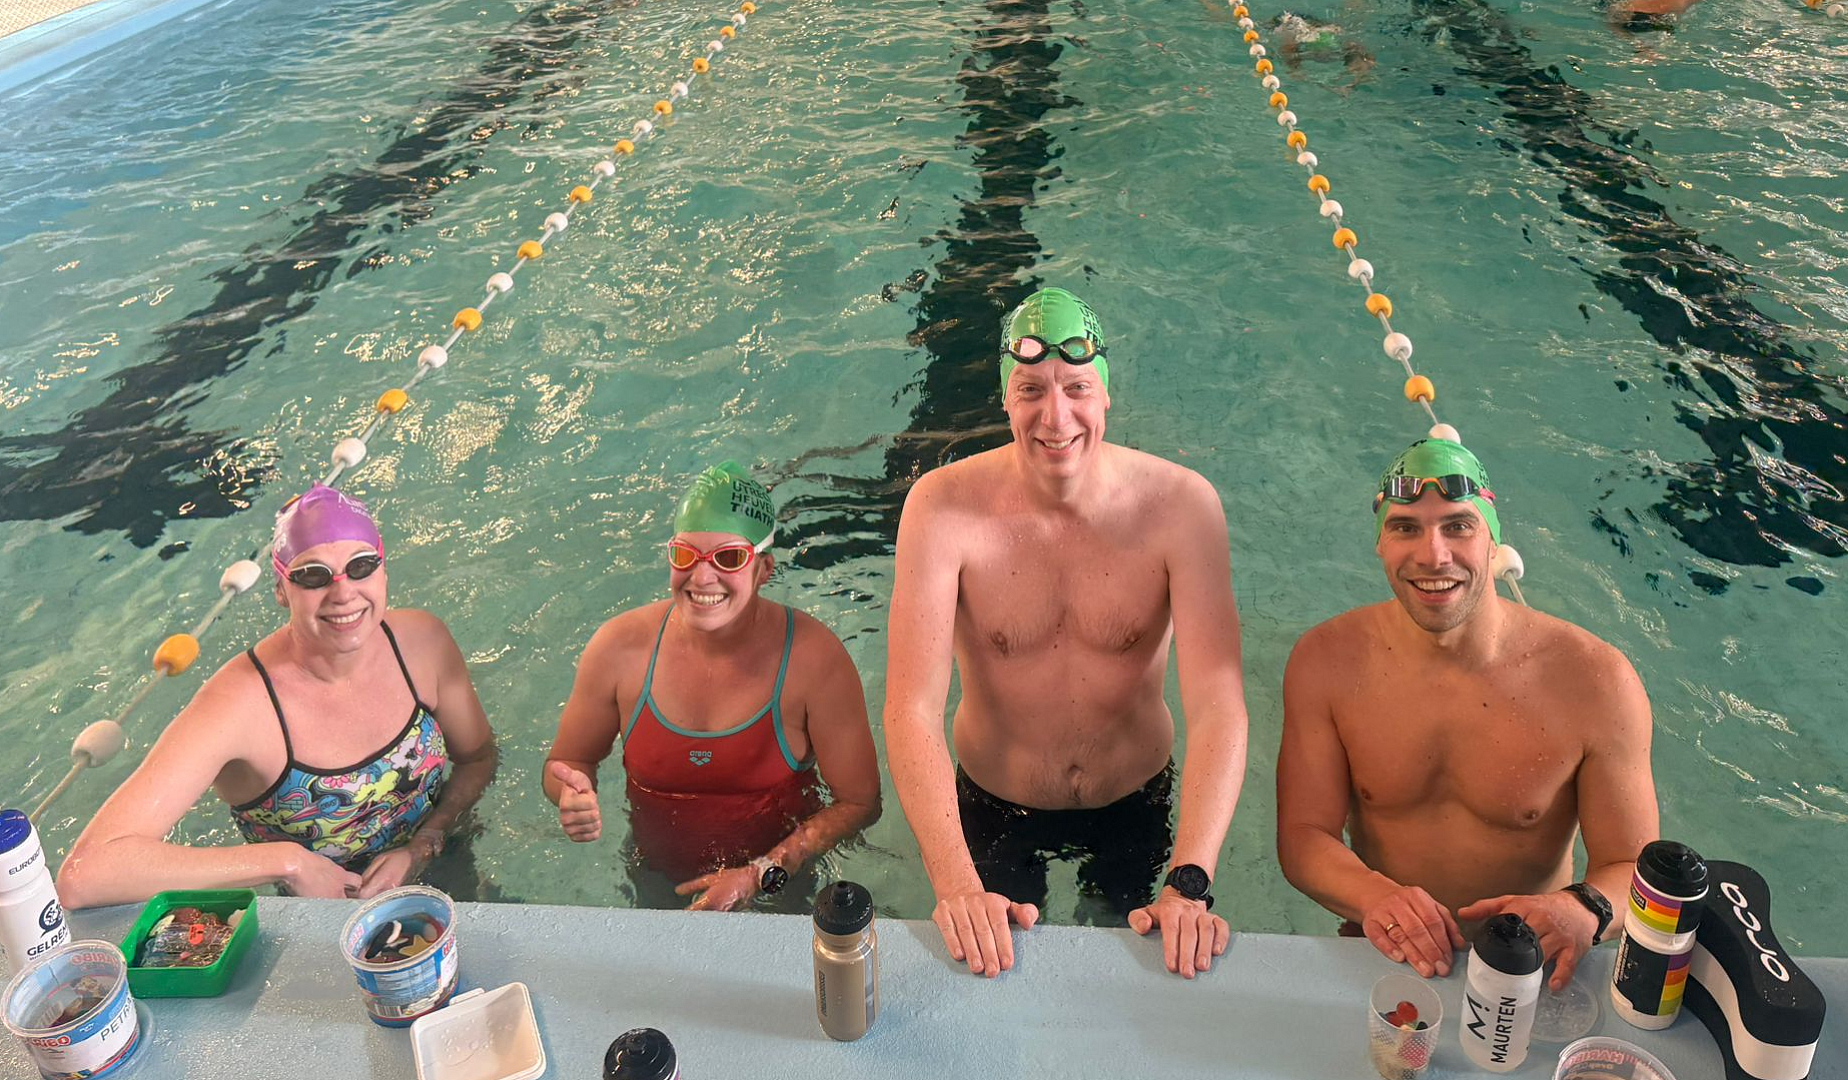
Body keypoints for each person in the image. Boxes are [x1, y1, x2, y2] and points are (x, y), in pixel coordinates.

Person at [884, 288, 1250, 980]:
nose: (1056, 417)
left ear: (1105, 394)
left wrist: (1190, 882)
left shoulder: (1180, 507)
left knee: (1134, 976)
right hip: (993, 804)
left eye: (1077, 388)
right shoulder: (941, 509)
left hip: (1134, 798)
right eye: (1031, 390)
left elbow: (1219, 706)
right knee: (992, 980)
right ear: (1005, 398)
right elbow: (910, 708)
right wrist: (956, 883)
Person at [1277, 437, 1660, 991]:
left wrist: (1581, 909)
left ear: (1493, 540)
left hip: (1529, 967)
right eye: (1405, 527)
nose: (1434, 555)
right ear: (1380, 543)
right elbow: (1304, 835)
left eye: (1458, 526)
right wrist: (1374, 898)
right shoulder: (1327, 661)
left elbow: (1633, 868)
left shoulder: (1596, 681)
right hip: (1385, 950)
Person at [57, 485, 499, 907]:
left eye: (361, 565)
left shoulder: (421, 643)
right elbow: (87, 874)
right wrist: (287, 862)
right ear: (281, 590)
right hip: (330, 922)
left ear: (383, 570)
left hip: (445, 859)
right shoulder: (240, 704)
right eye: (313, 576)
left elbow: (477, 758)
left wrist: (425, 843)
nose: (344, 592)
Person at [544, 462, 881, 911]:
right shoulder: (618, 649)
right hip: (656, 875)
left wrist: (762, 873)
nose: (702, 578)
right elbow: (569, 761)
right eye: (685, 556)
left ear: (763, 569)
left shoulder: (814, 661)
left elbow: (859, 802)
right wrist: (570, 795)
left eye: (729, 558)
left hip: (779, 885)